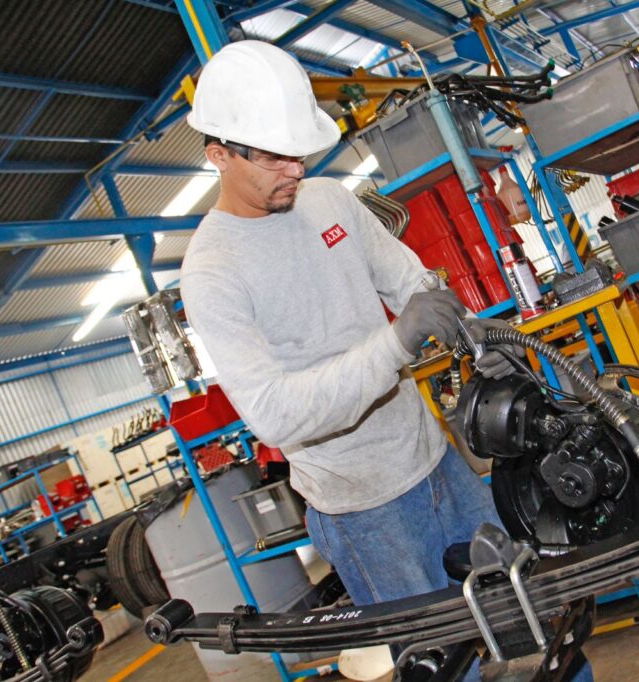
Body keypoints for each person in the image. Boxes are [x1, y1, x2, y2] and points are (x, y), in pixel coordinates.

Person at [178, 41, 594, 681]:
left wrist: (468, 334)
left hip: (436, 463)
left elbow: (410, 284)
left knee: (535, 628)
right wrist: (397, 342)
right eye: (274, 157)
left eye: (299, 151)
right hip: (362, 510)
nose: (294, 168)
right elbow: (276, 415)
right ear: (218, 154)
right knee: (446, 664)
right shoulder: (212, 273)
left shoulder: (329, 202)